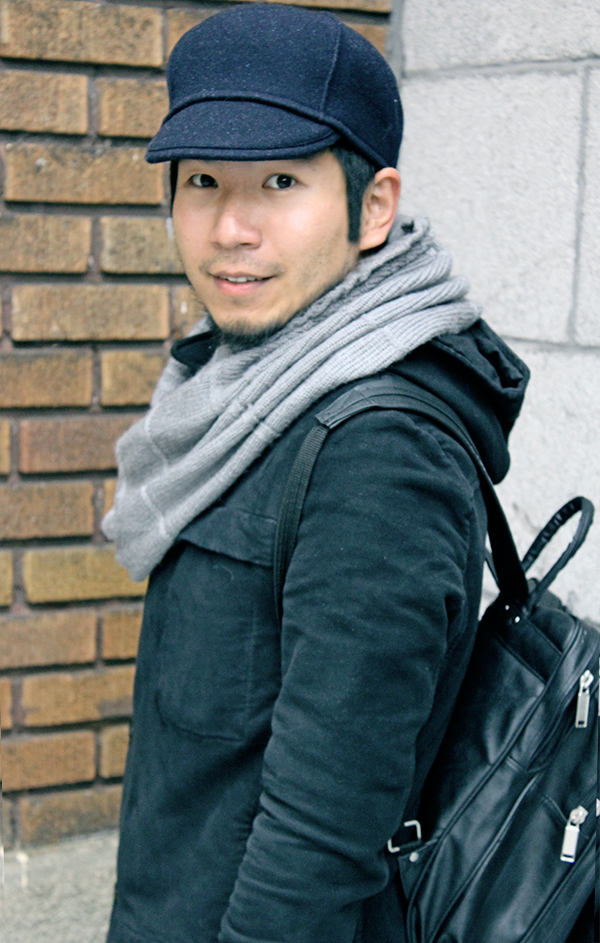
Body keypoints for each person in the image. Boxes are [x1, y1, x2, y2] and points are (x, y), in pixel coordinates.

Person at [103, 5, 529, 942]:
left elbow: (322, 839)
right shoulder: (240, 394)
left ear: (372, 206)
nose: (231, 227)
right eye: (204, 180)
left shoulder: (373, 452)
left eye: (282, 181)